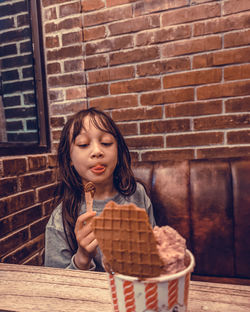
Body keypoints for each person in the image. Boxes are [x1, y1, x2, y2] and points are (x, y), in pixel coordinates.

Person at [44, 107, 156, 271]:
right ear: (69, 159)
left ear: (118, 151)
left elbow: (154, 249)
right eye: (83, 144)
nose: (97, 151)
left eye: (106, 143)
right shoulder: (60, 219)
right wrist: (81, 259)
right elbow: (55, 287)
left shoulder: (137, 194)